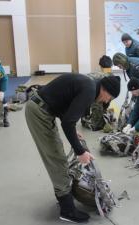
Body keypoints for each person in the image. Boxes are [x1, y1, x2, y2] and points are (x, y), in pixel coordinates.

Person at [25, 74, 120, 223]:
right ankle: (67, 210)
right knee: (57, 159)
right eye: (109, 97)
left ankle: (62, 197)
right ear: (105, 90)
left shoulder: (90, 85)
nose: (107, 101)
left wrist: (73, 131)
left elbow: (65, 105)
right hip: (39, 113)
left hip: (43, 109)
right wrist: (80, 151)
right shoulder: (89, 91)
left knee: (57, 155)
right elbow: (68, 123)